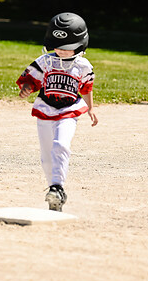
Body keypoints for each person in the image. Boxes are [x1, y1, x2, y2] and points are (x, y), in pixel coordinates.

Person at [16, 12, 98, 212]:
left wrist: (91, 109)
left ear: (80, 45)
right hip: (45, 108)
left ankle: (57, 187)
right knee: (46, 155)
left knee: (61, 144)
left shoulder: (83, 65)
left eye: (67, 47)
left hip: (69, 110)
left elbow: (86, 88)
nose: (61, 50)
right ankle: (53, 193)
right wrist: (26, 88)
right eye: (58, 45)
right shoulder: (44, 61)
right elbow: (31, 80)